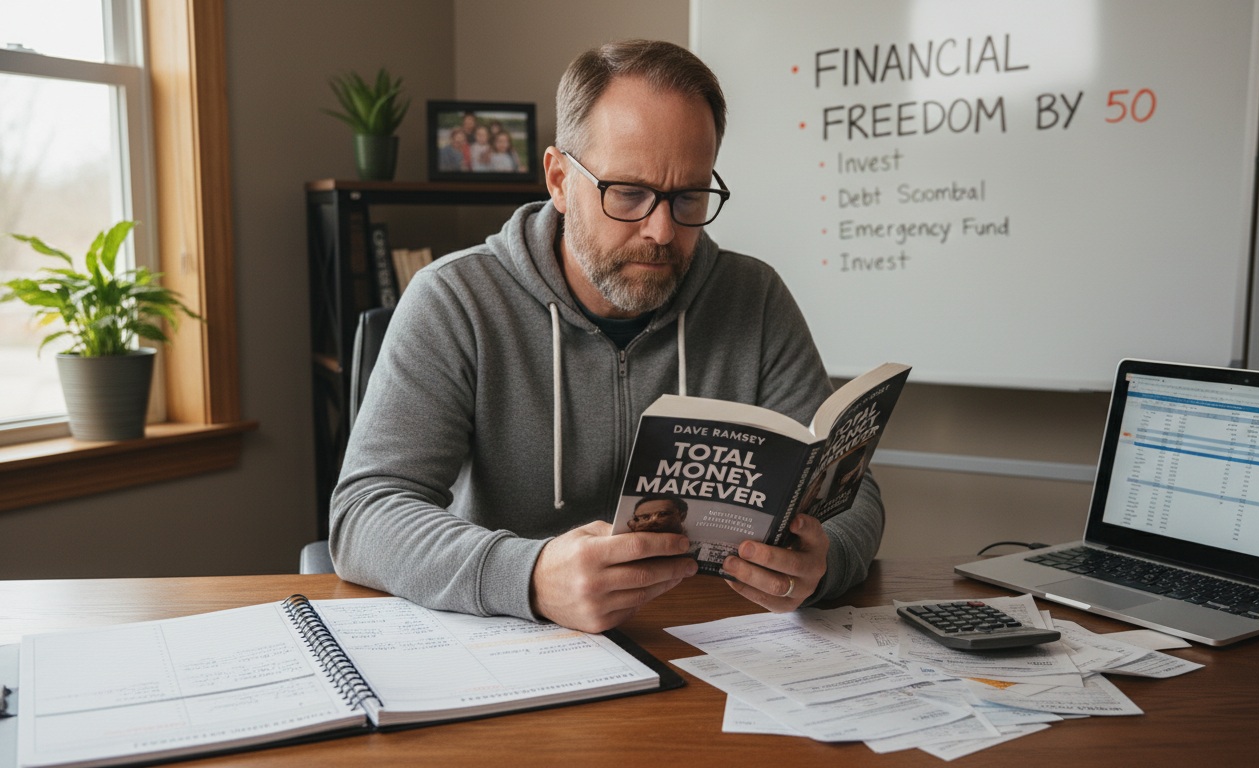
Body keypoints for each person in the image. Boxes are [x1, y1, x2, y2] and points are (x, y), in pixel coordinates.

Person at [330, 39, 884, 634]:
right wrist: (532, 576)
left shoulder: (754, 298)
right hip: (522, 643)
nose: (662, 230)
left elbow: (853, 494)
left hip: (718, 643)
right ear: (560, 180)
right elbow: (366, 513)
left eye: (689, 196)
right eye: (628, 193)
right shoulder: (456, 300)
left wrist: (822, 562)